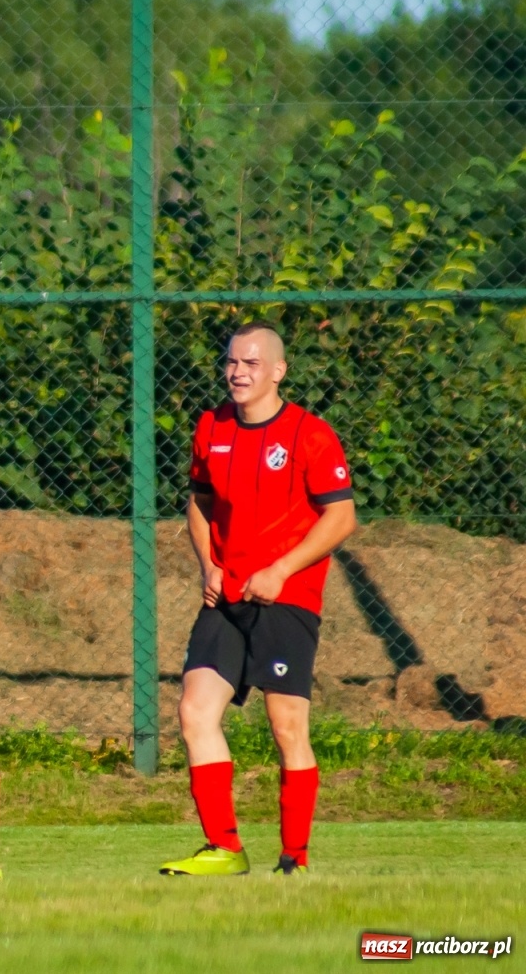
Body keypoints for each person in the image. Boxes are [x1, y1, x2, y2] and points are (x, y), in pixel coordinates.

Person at [159, 322, 355, 878]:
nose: (237, 373)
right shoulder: (211, 426)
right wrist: (209, 564)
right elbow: (198, 501)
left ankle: (294, 857)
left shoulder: (309, 435)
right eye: (231, 363)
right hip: (225, 596)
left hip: (285, 598)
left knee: (286, 726)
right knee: (195, 711)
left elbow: (342, 517)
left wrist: (282, 569)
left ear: (277, 371)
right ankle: (223, 848)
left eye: (250, 363)